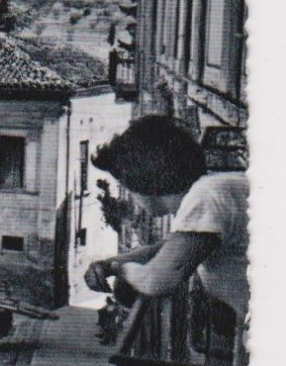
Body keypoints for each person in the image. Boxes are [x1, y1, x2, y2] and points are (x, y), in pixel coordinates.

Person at [84, 115, 248, 321]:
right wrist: (107, 265)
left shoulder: (205, 197)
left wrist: (120, 269)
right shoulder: (212, 188)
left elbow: (157, 279)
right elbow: (163, 251)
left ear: (141, 181)